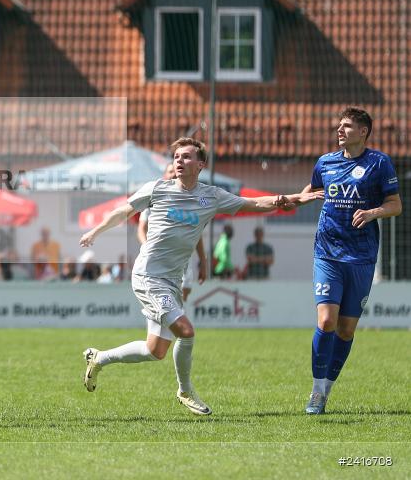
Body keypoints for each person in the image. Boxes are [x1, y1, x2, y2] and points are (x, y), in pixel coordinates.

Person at [79, 137, 321, 416]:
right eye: (176, 157)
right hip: (148, 276)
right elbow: (124, 211)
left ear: (201, 164)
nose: (179, 161)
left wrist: (289, 199)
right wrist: (95, 232)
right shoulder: (156, 188)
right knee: (187, 331)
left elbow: (253, 204)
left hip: (172, 280)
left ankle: (99, 358)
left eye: (186, 157)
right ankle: (185, 391)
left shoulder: (211, 197)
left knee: (154, 350)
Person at [302, 108, 402, 415]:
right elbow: (313, 190)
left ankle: (328, 388)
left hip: (361, 255)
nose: (340, 130)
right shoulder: (325, 162)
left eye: (347, 126)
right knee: (326, 322)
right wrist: (292, 199)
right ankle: (317, 392)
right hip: (327, 251)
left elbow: (395, 204)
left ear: (363, 132)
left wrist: (373, 213)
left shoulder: (379, 163)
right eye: (339, 126)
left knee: (345, 330)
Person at [138, 163, 207, 301]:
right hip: (158, 257)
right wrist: (147, 247)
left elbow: (196, 233)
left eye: (176, 172)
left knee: (182, 296)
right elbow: (141, 229)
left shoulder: (190, 202)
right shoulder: (154, 198)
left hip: (182, 258)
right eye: (170, 172)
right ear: (165, 176)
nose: (174, 174)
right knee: (158, 300)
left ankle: (175, 319)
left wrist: (203, 261)